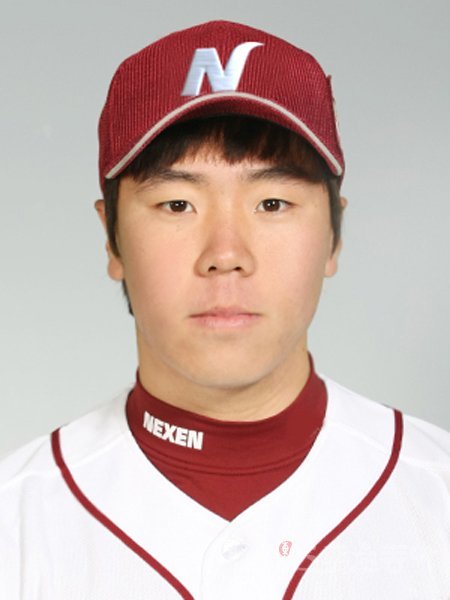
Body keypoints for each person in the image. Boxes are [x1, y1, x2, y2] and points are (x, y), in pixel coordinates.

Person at [0, 19, 449, 600]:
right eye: (177, 204)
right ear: (111, 240)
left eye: (273, 202)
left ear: (334, 236)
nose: (226, 255)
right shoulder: (16, 521)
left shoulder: (436, 495)